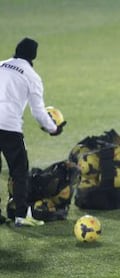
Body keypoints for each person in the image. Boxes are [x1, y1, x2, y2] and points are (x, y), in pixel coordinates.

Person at [0, 37, 65, 227]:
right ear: (33, 56)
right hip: (9, 127)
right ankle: (21, 216)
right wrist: (53, 128)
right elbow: (38, 112)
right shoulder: (31, 75)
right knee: (19, 172)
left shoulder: (1, 65)